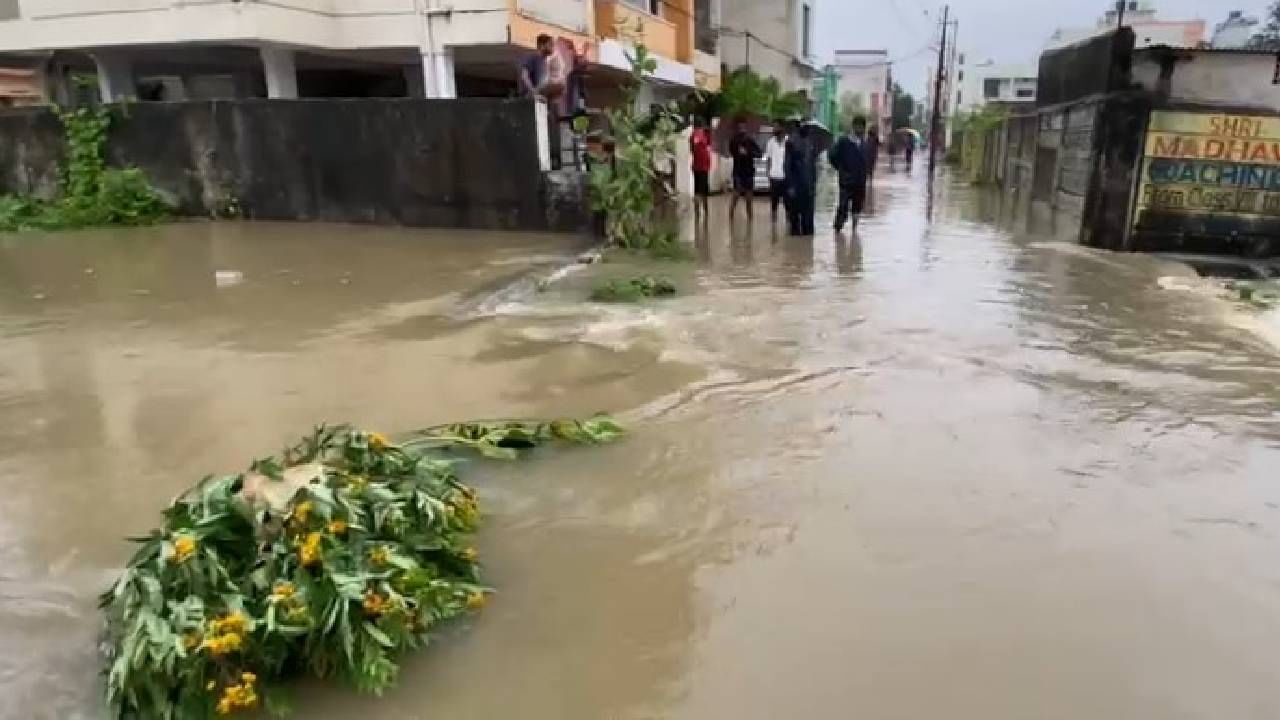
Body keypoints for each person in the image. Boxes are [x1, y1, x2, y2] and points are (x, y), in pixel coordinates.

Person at [828, 116, 870, 232]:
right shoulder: (843, 141)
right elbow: (832, 156)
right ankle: (837, 230)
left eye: (862, 127)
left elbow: (866, 161)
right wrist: (841, 169)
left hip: (860, 181)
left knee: (857, 207)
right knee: (842, 206)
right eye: (859, 127)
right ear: (854, 127)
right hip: (846, 181)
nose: (861, 130)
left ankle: (854, 232)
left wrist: (866, 175)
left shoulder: (864, 144)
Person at [785, 121, 819, 236]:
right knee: (794, 220)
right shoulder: (791, 142)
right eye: (807, 127)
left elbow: (813, 167)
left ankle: (807, 250)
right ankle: (794, 251)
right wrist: (790, 186)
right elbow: (787, 166)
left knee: (808, 222)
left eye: (810, 127)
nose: (809, 129)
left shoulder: (811, 143)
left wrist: (814, 185)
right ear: (801, 127)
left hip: (808, 187)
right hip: (796, 185)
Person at [727, 119, 761, 220]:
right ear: (737, 128)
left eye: (743, 127)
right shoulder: (733, 140)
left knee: (749, 198)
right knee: (736, 195)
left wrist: (748, 152)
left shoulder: (750, 140)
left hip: (749, 171)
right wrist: (738, 153)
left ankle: (750, 220)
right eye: (740, 127)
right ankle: (730, 219)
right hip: (738, 171)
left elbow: (759, 153)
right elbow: (731, 152)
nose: (742, 129)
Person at [764, 121, 789, 224]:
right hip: (774, 176)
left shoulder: (788, 141)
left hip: (786, 176)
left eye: (776, 127)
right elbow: (768, 159)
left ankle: (789, 223)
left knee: (788, 202)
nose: (774, 129)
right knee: (774, 202)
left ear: (782, 128)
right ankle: (773, 225)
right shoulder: (770, 142)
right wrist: (768, 173)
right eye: (774, 127)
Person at [689, 116, 713, 221]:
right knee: (702, 191)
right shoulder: (700, 135)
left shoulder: (695, 135)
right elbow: (703, 145)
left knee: (698, 190)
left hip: (699, 166)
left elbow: (693, 149)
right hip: (702, 167)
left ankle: (699, 213)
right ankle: (703, 213)